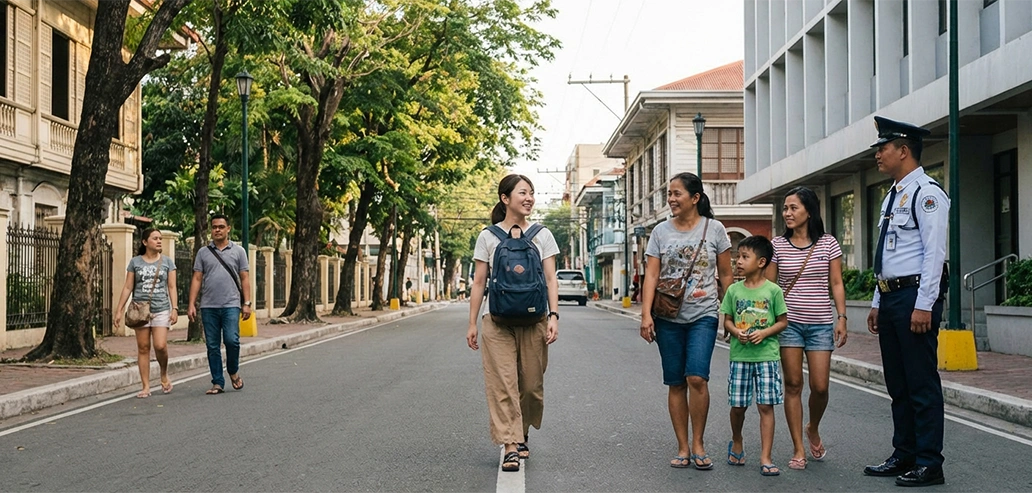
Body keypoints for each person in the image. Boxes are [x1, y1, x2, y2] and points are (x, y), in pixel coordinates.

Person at [863, 116, 950, 487]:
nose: (878, 154)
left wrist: (924, 304)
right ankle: (905, 454)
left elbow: (934, 253)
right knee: (898, 383)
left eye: (882, 148)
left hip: (915, 295)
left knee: (920, 383)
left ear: (903, 150)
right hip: (892, 295)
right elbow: (889, 254)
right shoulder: (893, 194)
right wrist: (877, 300)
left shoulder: (927, 193)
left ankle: (930, 462)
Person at [466, 174, 560, 473]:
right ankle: (509, 445)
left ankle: (522, 433)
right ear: (506, 199)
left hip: (535, 318)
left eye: (532, 193)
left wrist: (554, 315)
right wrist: (471, 323)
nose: (529, 198)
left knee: (531, 386)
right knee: (502, 383)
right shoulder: (488, 236)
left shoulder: (542, 234)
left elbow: (550, 279)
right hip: (496, 320)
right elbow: (479, 281)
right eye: (523, 193)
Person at [640, 172, 734, 470]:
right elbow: (651, 275)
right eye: (669, 193)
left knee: (697, 377)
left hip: (703, 314)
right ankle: (682, 446)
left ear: (695, 198)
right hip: (667, 316)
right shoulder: (660, 232)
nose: (671, 199)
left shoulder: (715, 229)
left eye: (677, 193)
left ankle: (698, 442)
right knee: (676, 382)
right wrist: (645, 316)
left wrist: (730, 312)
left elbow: (727, 275)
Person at [765, 186, 848, 470]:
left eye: (793, 208)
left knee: (820, 387)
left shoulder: (828, 243)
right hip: (788, 323)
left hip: (821, 323)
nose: (787, 213)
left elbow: (836, 282)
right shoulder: (777, 245)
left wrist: (842, 317)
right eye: (785, 209)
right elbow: (770, 286)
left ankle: (812, 427)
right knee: (793, 385)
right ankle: (798, 448)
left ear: (808, 211)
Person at [720, 235, 789, 477]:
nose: (738, 261)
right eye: (737, 256)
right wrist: (736, 331)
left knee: (765, 406)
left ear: (761, 262)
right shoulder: (733, 291)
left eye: (744, 257)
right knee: (738, 406)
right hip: (740, 357)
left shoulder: (773, 291)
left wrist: (765, 332)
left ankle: (766, 457)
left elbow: (783, 321)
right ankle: (737, 440)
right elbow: (727, 320)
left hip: (767, 356)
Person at [187, 214, 252, 395]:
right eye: (214, 227)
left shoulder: (239, 251)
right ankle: (217, 382)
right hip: (209, 306)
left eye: (221, 227)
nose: (217, 230)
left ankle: (232, 370)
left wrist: (247, 303)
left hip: (231, 304)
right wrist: (191, 303)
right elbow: (197, 278)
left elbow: (245, 277)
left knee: (232, 340)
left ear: (228, 229)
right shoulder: (203, 252)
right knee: (212, 345)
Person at [113, 228, 178, 398]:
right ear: (144, 242)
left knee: (160, 345)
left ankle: (163, 373)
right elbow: (128, 287)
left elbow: (172, 287)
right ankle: (145, 386)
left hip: (161, 308)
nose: (159, 241)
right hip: (139, 310)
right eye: (155, 238)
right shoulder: (135, 262)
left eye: (160, 238)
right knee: (143, 348)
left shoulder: (167, 262)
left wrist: (175, 308)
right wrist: (119, 310)